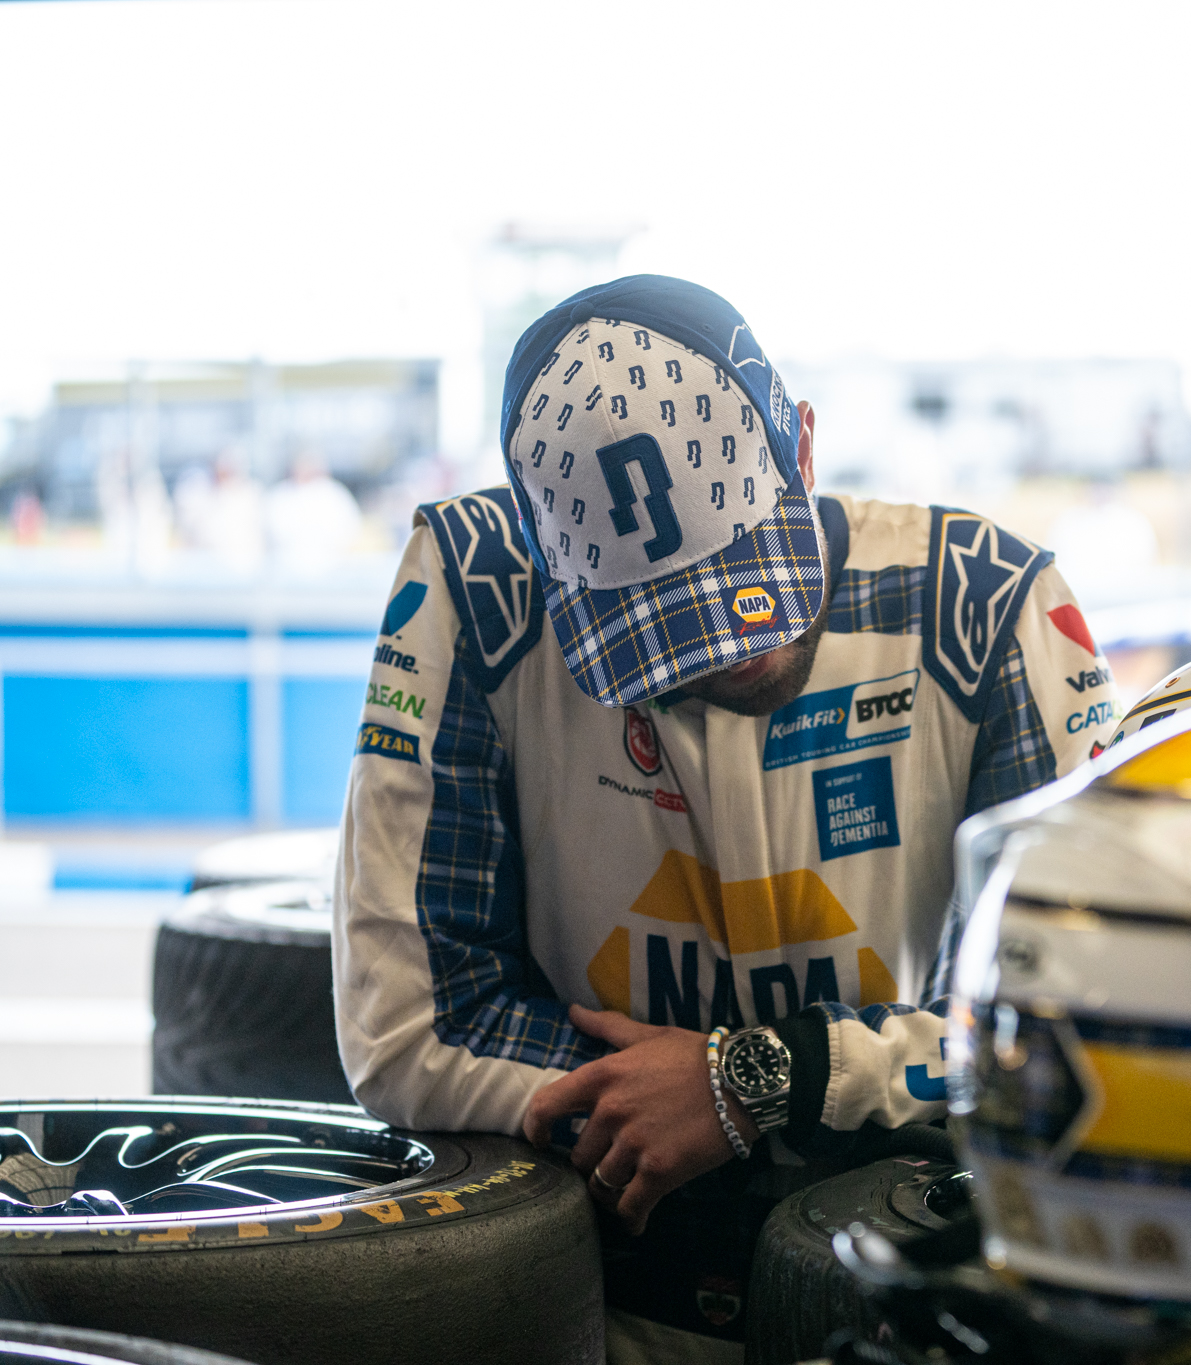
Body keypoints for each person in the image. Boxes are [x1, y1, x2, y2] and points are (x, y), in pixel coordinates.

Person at [333, 275, 1121, 1362]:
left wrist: (758, 1078)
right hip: (592, 1294)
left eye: (744, 578)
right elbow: (404, 1029)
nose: (730, 652)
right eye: (658, 622)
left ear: (805, 446)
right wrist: (684, 1094)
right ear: (547, 561)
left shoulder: (986, 602)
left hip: (899, 1292)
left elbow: (1079, 1022)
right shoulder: (473, 588)